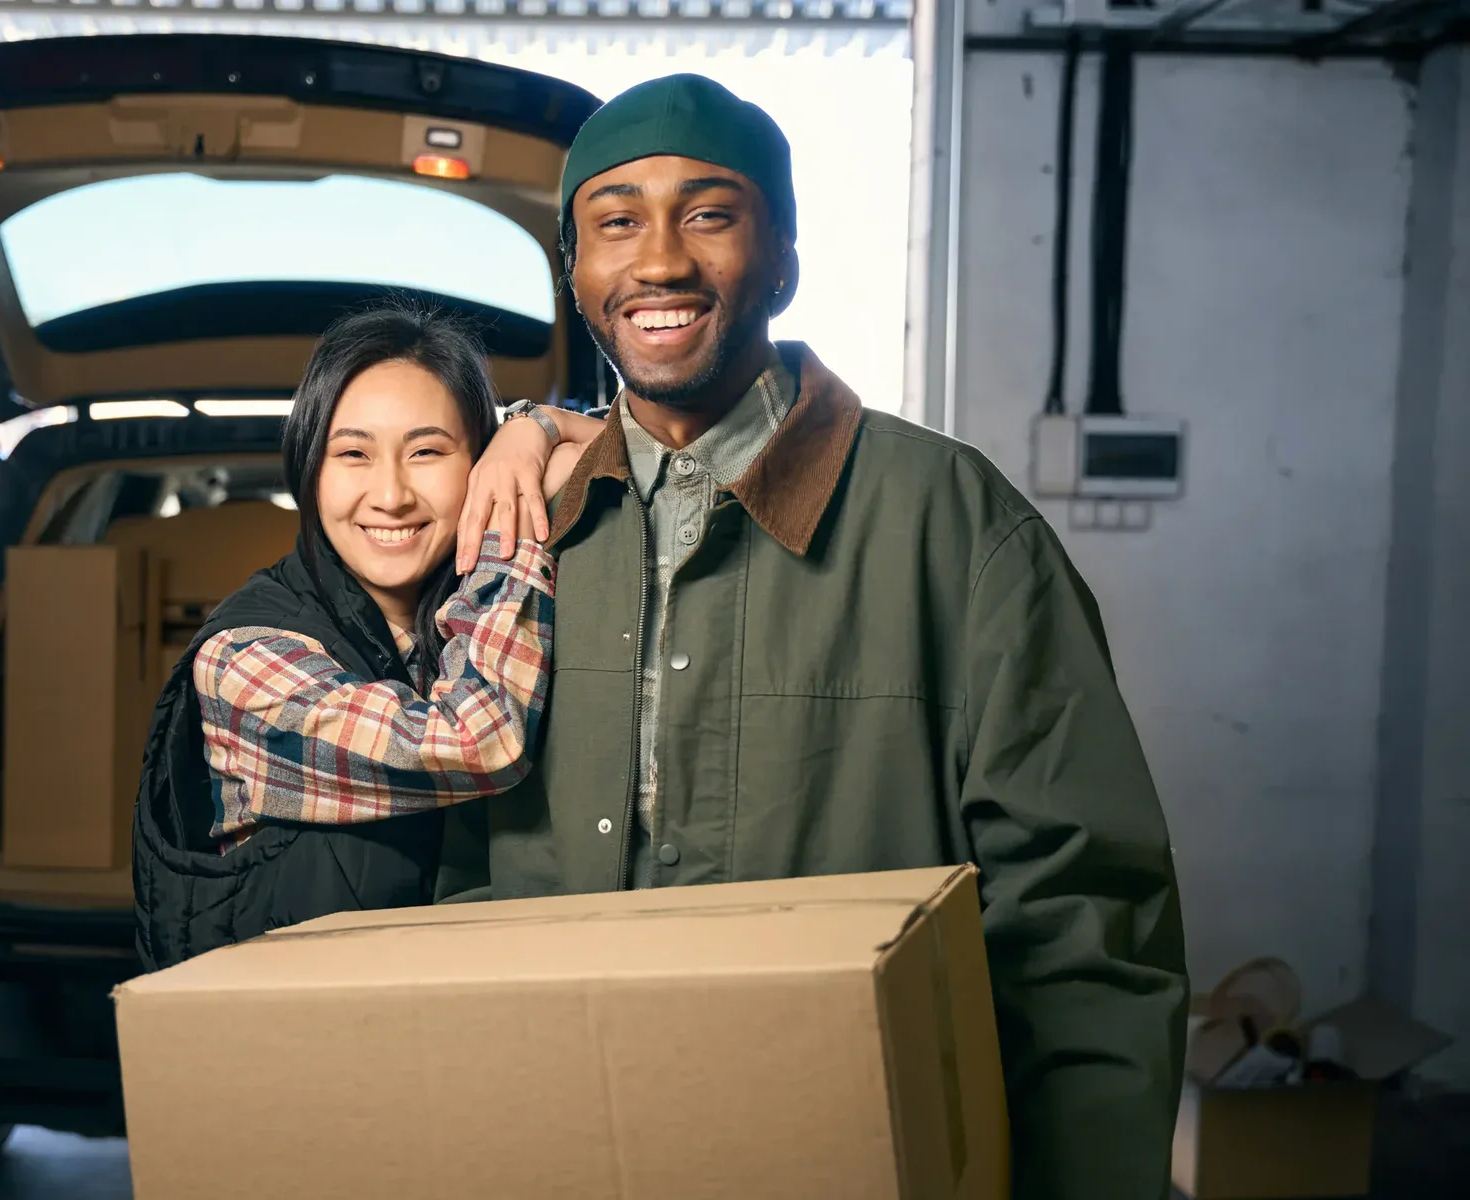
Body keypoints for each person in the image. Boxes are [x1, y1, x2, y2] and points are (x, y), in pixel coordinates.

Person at [438, 75, 1190, 1200]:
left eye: (709, 214)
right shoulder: (515, 532)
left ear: (783, 255)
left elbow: (1083, 914)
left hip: (855, 1161)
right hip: (564, 1151)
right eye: (616, 223)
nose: (659, 262)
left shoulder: (954, 524)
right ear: (576, 271)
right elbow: (450, 872)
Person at [130, 306, 594, 971]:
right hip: (287, 1048)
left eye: (427, 451)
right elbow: (477, 741)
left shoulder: (451, 620)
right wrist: (512, 520)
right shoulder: (242, 663)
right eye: (353, 454)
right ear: (310, 468)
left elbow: (663, 454)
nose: (391, 494)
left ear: (480, 462)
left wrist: (535, 428)